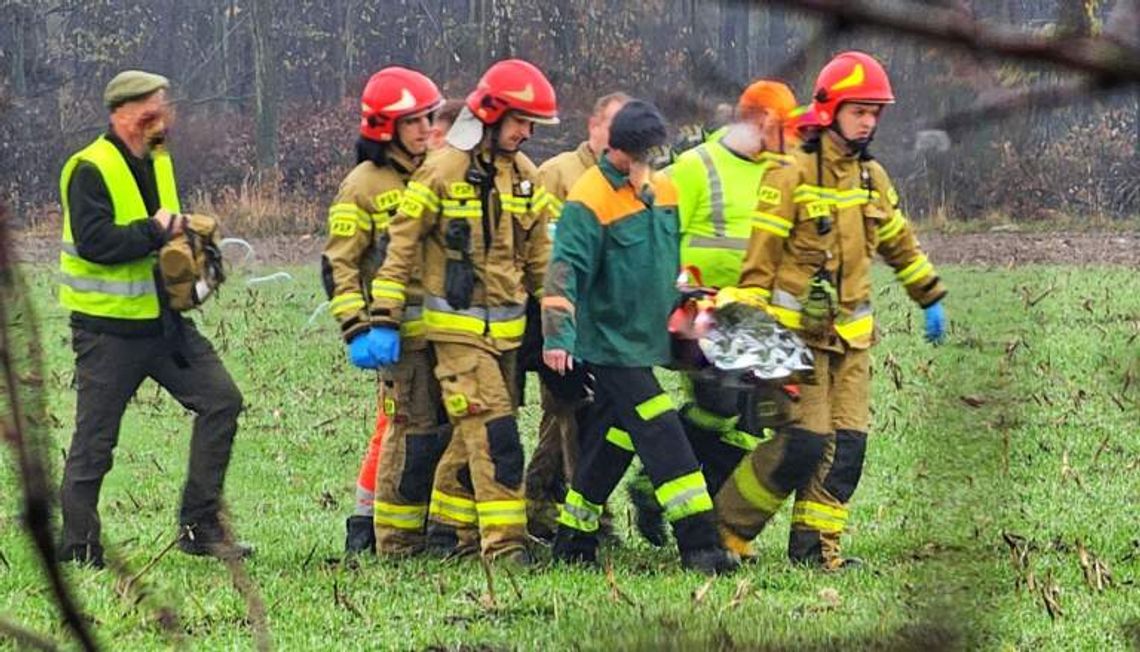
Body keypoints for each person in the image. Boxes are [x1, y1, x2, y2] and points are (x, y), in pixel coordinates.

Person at [715, 51, 948, 570]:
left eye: (875, 112)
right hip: (797, 345)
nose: (868, 121)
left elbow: (899, 245)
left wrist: (930, 297)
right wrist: (758, 344)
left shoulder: (871, 178)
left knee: (846, 449)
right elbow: (757, 271)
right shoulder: (789, 174)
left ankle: (816, 550)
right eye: (859, 110)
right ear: (830, 110)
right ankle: (727, 530)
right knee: (803, 443)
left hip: (853, 342)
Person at [369, 59, 559, 565]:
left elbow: (541, 257)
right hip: (456, 337)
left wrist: (562, 322)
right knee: (497, 436)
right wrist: (383, 316)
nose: (527, 132)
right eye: (520, 120)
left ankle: (453, 535)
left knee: (469, 441)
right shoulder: (443, 170)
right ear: (492, 114)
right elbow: (401, 248)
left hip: (508, 337)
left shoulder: (525, 176)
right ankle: (505, 547)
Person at [57, 70, 247, 566]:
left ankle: (198, 527)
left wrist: (187, 242)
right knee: (95, 442)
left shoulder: (159, 161)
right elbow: (97, 243)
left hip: (164, 328)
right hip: (107, 332)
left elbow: (163, 235)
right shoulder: (89, 168)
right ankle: (78, 545)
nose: (164, 117)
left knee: (222, 402)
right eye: (153, 109)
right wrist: (156, 229)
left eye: (165, 106)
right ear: (124, 113)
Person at [542, 100, 739, 576]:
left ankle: (573, 538)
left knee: (612, 438)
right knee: (660, 429)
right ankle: (700, 545)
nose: (648, 168)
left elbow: (670, 259)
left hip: (647, 338)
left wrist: (688, 295)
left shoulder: (664, 190)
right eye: (642, 158)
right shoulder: (589, 200)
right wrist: (558, 340)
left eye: (654, 157)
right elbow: (562, 276)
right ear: (620, 151)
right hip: (607, 343)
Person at [626, 80, 801, 548]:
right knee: (720, 404)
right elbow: (654, 232)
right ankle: (655, 487)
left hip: (752, 315)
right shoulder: (695, 168)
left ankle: (690, 507)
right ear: (764, 121)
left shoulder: (780, 170)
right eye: (784, 128)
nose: (790, 141)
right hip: (699, 312)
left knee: (744, 424)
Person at [322, 67, 447, 556]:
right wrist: (358, 330)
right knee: (401, 431)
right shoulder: (362, 186)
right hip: (393, 333)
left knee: (442, 429)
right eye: (413, 121)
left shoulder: (436, 170)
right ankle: (378, 531)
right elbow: (340, 265)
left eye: (428, 118)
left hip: (445, 328)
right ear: (384, 127)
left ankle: (430, 525)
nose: (424, 128)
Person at [522, 91, 629, 542]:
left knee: (567, 415)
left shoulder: (630, 176)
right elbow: (543, 252)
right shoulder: (559, 174)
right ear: (592, 126)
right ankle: (592, 519)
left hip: (607, 321)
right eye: (613, 127)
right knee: (576, 412)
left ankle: (538, 500)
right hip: (563, 316)